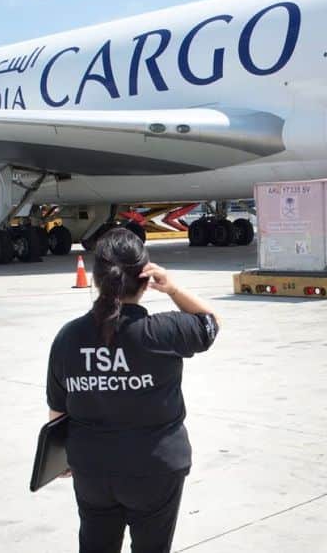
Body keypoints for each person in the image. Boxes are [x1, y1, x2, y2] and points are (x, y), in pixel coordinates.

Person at [46, 227, 220, 553]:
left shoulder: (68, 337)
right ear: (145, 278)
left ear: (98, 278)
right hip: (155, 467)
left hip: (92, 466)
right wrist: (172, 289)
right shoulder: (165, 332)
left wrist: (61, 458)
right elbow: (210, 322)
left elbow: (58, 408)